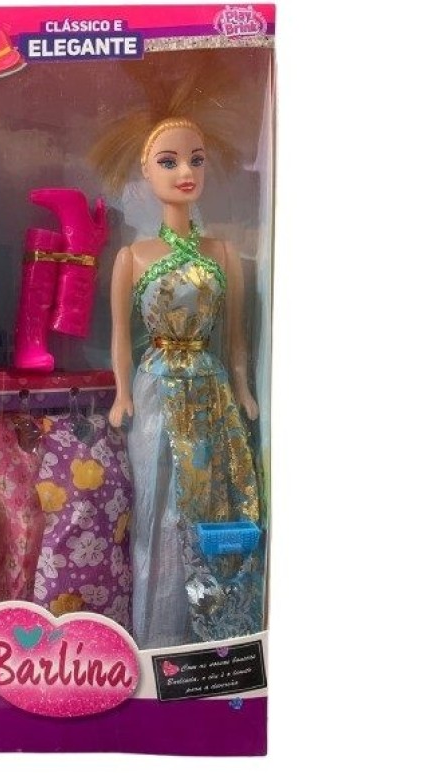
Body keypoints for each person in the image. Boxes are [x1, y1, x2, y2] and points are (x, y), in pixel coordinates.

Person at [100, 116, 260, 649]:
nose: (185, 171)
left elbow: (235, 336)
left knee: (211, 504)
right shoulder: (132, 257)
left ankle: (210, 636)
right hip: (154, 390)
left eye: (196, 159)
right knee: (155, 508)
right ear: (145, 172)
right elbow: (121, 337)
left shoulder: (223, 254)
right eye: (168, 161)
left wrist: (242, 387)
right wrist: (122, 392)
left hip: (210, 388)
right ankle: (156, 638)